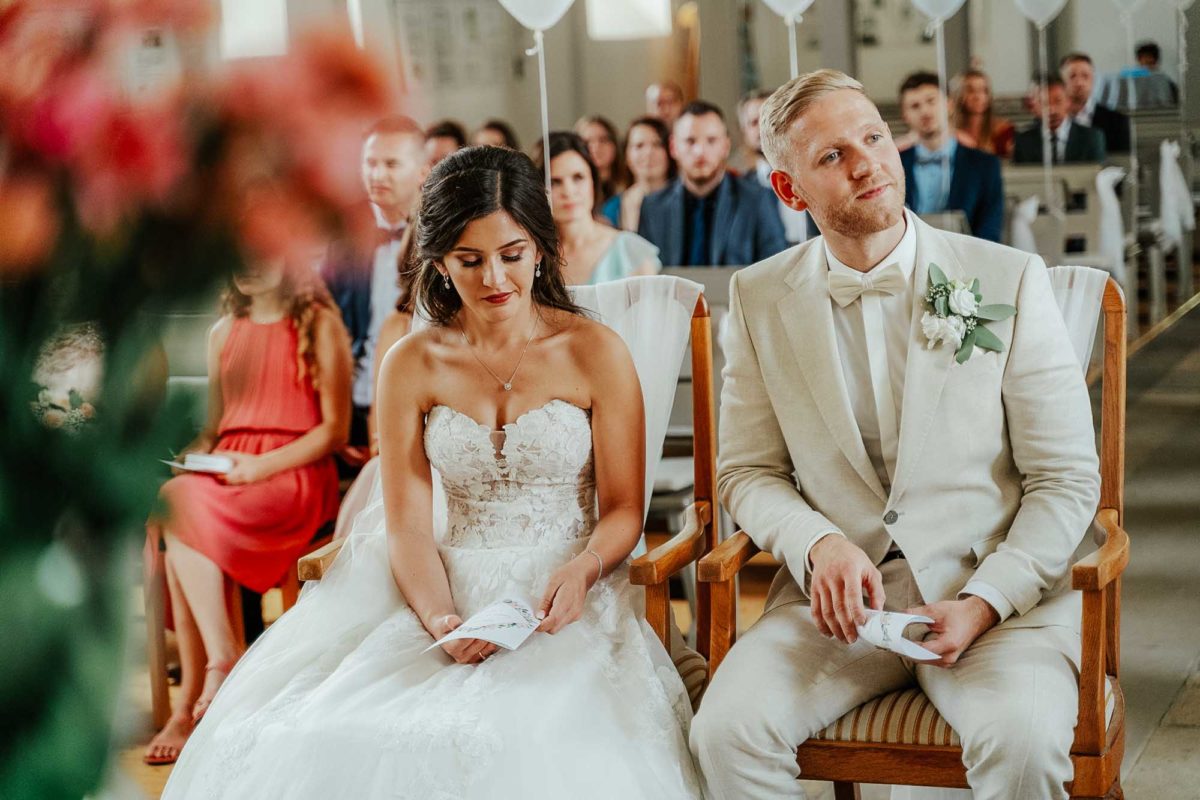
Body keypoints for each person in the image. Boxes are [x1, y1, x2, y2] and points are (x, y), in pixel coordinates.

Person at [161, 146, 702, 799]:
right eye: (469, 262)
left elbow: (621, 509)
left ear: (540, 248)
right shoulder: (412, 362)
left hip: (567, 591)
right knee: (328, 730)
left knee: (532, 741)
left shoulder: (594, 351)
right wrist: (442, 619)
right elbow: (409, 527)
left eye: (512, 254)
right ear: (439, 262)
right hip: (443, 584)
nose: (494, 279)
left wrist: (583, 569)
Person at [690, 68, 1100, 800]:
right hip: (840, 614)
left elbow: (1065, 477)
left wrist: (987, 599)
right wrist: (817, 544)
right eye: (831, 156)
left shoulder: (1005, 278)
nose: (868, 163)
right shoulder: (757, 299)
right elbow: (746, 472)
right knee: (725, 732)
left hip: (995, 597)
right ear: (790, 191)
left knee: (1025, 744)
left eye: (874, 137)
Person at [143, 254, 351, 765]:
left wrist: (259, 468)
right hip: (228, 472)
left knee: (181, 514)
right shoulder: (223, 332)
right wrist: (190, 459)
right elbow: (214, 427)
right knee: (174, 501)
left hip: (293, 472)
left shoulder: (319, 323)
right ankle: (209, 672)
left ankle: (199, 687)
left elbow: (334, 431)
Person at [320, 116, 427, 465]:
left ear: (423, 172)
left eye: (391, 164)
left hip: (421, 406)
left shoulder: (437, 244)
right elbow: (327, 330)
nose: (377, 175)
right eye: (370, 163)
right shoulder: (343, 243)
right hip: (352, 409)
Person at [638, 100, 788, 266]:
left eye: (711, 140)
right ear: (674, 147)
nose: (700, 151)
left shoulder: (758, 199)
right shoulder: (653, 207)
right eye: (690, 141)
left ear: (726, 146)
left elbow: (777, 269)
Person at [535, 134, 660, 284]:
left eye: (578, 177)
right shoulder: (532, 255)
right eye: (555, 182)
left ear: (593, 182)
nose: (568, 191)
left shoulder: (630, 252)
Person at [897, 71, 1004, 242]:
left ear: (949, 104)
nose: (925, 111)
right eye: (915, 106)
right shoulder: (895, 163)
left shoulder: (985, 164)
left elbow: (990, 228)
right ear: (905, 115)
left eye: (931, 101)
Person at [738, 88, 812, 245]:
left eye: (768, 119)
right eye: (753, 122)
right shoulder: (739, 190)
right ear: (744, 132)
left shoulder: (811, 174)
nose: (761, 128)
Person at [601, 116, 675, 233]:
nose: (648, 153)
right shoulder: (612, 209)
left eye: (657, 144)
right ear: (626, 155)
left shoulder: (688, 202)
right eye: (639, 145)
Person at [1013, 75, 1106, 164]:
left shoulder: (1092, 138)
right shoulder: (1023, 141)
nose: (1052, 110)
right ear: (1033, 106)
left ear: (1069, 101)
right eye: (1044, 103)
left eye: (1058, 101)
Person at [1061, 53, 1131, 154]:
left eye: (1085, 76)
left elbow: (1121, 162)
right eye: (1072, 76)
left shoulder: (1117, 122)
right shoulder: (1052, 120)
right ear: (1062, 82)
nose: (1079, 83)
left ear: (1093, 80)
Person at [950, 69, 1015, 159]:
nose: (978, 96)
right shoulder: (949, 133)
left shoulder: (1003, 131)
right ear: (957, 95)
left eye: (984, 91)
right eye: (970, 91)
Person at [574, 115, 626, 205]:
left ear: (615, 145)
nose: (596, 147)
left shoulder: (628, 189)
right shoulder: (573, 192)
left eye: (603, 140)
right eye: (587, 142)